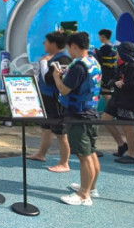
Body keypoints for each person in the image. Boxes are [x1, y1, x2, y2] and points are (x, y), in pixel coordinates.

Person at [53, 32, 102, 206]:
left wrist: (56, 77)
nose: (68, 51)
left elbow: (64, 90)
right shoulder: (93, 61)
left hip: (79, 116)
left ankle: (83, 195)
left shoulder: (78, 67)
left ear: (74, 46)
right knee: (91, 152)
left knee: (83, 156)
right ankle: (91, 187)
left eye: (69, 47)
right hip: (91, 113)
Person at [27, 31, 73, 173]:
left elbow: (48, 79)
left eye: (46, 41)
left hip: (55, 100)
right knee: (46, 128)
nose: (44, 44)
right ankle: (41, 154)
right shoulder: (54, 58)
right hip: (46, 98)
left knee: (60, 132)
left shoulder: (62, 59)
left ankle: (64, 162)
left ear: (53, 44)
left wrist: (43, 62)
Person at [102, 42, 134, 163]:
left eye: (118, 51)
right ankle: (122, 145)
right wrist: (115, 83)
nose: (116, 53)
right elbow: (113, 79)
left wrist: (116, 84)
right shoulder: (123, 65)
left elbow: (130, 86)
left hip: (128, 101)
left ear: (123, 53)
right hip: (117, 99)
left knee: (127, 127)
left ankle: (133, 154)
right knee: (105, 120)